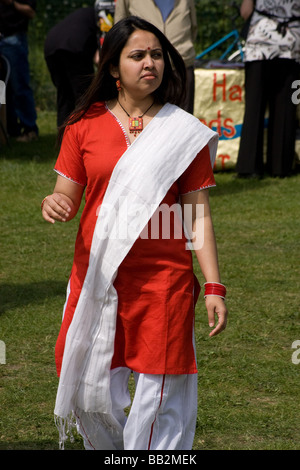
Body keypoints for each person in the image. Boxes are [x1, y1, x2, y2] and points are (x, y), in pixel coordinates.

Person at [41, 16, 228, 451]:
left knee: (161, 390)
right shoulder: (83, 124)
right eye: (138, 55)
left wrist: (214, 285)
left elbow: (197, 213)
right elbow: (64, 195)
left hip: (163, 278)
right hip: (97, 276)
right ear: (112, 68)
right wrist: (55, 203)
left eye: (157, 55)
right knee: (90, 385)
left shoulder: (183, 132)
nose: (150, 64)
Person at [236, 0, 300, 178]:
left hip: (260, 43)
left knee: (254, 107)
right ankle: (281, 166)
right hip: (293, 43)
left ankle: (249, 167)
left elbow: (245, 12)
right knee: (287, 107)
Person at [114, 0, 197, 114]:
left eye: (157, 54)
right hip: (141, 76)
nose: (150, 62)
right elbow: (119, 31)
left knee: (184, 124)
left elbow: (193, 26)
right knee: (142, 120)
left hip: (181, 65)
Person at [44, 7, 99, 128]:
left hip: (51, 46)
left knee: (64, 94)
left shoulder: (85, 14)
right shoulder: (102, 17)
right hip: (75, 47)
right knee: (85, 95)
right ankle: (87, 132)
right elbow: (99, 58)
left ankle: (64, 136)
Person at [0, 0, 38, 142]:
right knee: (3, 88)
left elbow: (31, 12)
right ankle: (10, 130)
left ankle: (29, 129)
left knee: (19, 86)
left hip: (13, 38)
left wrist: (11, 3)